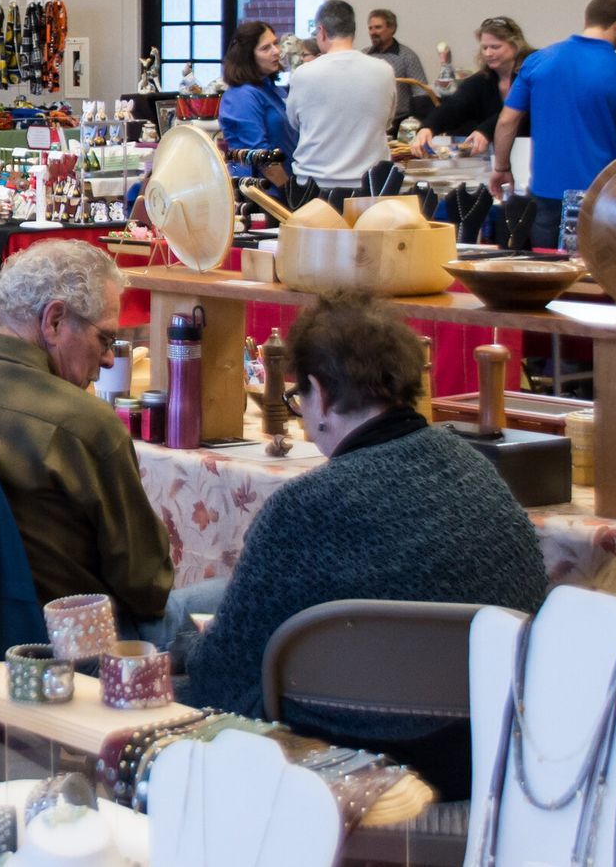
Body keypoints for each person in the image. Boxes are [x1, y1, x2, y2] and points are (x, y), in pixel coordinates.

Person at [180, 291, 546, 792]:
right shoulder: (480, 474)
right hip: (483, 758)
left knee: (185, 668)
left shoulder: (305, 507)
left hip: (341, 765)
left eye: (298, 401)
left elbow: (217, 685)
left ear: (321, 394)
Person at [0, 241, 173, 628]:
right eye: (104, 339)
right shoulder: (86, 425)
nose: (108, 359)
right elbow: (148, 587)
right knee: (224, 602)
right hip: (57, 651)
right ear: (54, 321)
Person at [491, 0, 616, 248]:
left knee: (548, 274)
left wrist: (501, 168)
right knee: (591, 277)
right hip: (599, 196)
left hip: (545, 191)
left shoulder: (538, 61)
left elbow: (507, 121)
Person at [286, 0, 395, 194]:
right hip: (370, 184)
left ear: (322, 31)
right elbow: (386, 122)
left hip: (315, 182)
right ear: (353, 31)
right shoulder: (384, 70)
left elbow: (295, 123)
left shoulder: (304, 74)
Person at [411, 16, 534, 158]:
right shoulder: (482, 80)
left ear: (515, 46)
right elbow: (455, 106)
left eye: (495, 47)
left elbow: (521, 110)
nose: (488, 53)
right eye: (484, 47)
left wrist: (485, 130)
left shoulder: (533, 74)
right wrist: (428, 127)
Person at [217, 20, 293, 153]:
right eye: (265, 48)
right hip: (258, 172)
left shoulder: (272, 88)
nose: (276, 51)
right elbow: (259, 154)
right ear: (248, 56)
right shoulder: (241, 96)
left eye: (275, 43)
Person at [364, 8, 429, 129]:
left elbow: (421, 92)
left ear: (392, 29)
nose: (373, 32)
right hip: (369, 122)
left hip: (400, 123)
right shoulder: (364, 56)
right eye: (370, 28)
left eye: (378, 27)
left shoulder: (407, 56)